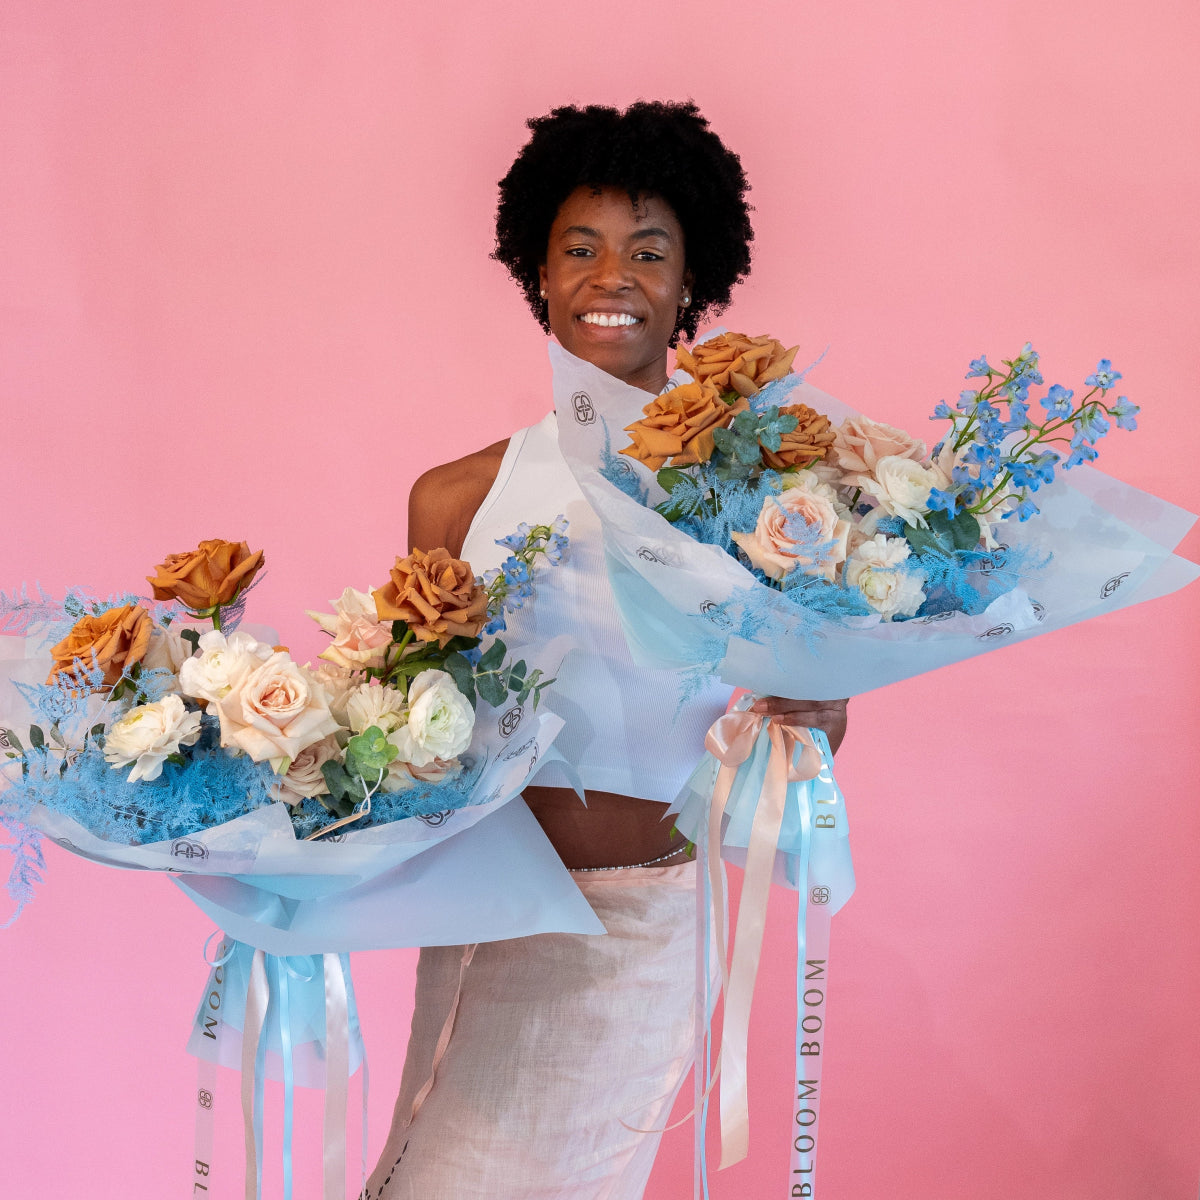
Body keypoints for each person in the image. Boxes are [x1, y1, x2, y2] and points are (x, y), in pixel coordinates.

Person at [365, 101, 848, 1200]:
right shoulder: (457, 495)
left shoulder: (767, 496)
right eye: (578, 249)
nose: (609, 276)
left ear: (692, 284)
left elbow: (817, 721)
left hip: (638, 923)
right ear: (537, 272)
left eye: (647, 251)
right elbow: (405, 732)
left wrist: (818, 712)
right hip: (484, 902)